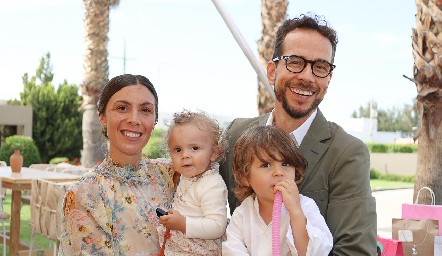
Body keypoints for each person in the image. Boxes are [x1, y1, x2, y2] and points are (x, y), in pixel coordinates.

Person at [219, 13, 377, 255]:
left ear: (329, 79)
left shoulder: (347, 152)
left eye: (320, 67)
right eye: (295, 62)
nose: (307, 76)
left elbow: (355, 250)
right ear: (272, 71)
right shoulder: (235, 135)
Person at [59, 74, 175, 255]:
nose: (134, 119)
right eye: (122, 108)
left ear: (154, 121)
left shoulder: (171, 175)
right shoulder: (85, 195)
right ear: (103, 118)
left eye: (145, 110)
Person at [222, 125, 333, 256]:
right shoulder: (243, 213)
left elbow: (315, 252)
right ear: (245, 177)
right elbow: (232, 250)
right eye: (266, 165)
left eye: (285, 164)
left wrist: (296, 212)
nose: (279, 173)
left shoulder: (305, 206)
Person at [157, 109, 228, 255]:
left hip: (200, 250)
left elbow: (217, 226)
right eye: (178, 149)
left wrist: (182, 223)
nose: (185, 155)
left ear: (214, 153)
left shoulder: (211, 184)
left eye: (194, 148)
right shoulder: (187, 175)